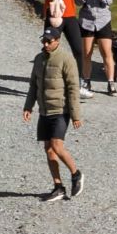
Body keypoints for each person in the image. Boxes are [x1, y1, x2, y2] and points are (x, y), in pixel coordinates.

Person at [22, 22, 84, 200]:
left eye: (49, 41)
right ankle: (58, 186)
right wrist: (28, 106)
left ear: (58, 41)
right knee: (49, 150)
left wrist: (75, 115)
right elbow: (33, 84)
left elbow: (73, 87)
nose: (45, 44)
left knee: (57, 146)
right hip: (44, 111)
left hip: (60, 110)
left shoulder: (66, 59)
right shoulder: (39, 58)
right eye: (44, 41)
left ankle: (76, 174)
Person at [77, 0, 116, 95]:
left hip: (103, 21)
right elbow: (78, 2)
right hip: (86, 21)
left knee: (107, 53)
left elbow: (109, 1)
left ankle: (110, 82)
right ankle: (86, 81)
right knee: (86, 54)